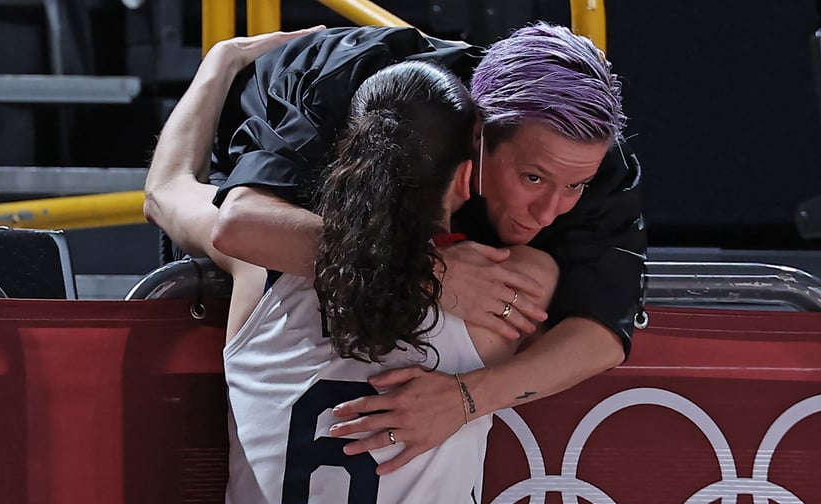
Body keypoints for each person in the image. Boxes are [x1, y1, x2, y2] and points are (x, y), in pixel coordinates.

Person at [147, 33, 557, 504]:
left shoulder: (258, 268)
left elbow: (165, 191)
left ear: (348, 159)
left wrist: (223, 62)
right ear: (466, 176)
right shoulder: (508, 290)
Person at [143, 21, 646, 475]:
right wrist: (427, 272)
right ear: (474, 141)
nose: (550, 211)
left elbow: (602, 332)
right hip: (278, 200)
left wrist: (464, 400)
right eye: (533, 178)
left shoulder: (594, 154)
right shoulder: (352, 85)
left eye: (575, 186)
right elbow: (241, 227)